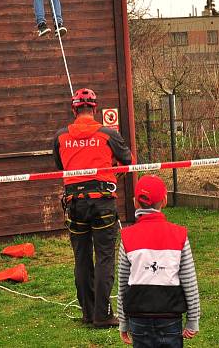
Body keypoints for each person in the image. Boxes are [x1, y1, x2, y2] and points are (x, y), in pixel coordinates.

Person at [53, 88, 133, 328]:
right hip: (102, 204)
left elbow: (60, 166)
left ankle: (88, 313)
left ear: (74, 109)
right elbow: (128, 160)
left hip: (75, 205)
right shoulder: (108, 134)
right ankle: (102, 314)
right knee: (105, 257)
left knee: (82, 258)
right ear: (95, 109)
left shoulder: (60, 136)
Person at [117, 175, 200, 347]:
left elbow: (123, 284)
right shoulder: (180, 235)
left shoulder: (126, 237)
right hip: (169, 316)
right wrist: (193, 319)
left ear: (135, 202)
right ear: (164, 200)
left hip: (138, 317)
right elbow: (189, 280)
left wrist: (123, 321)